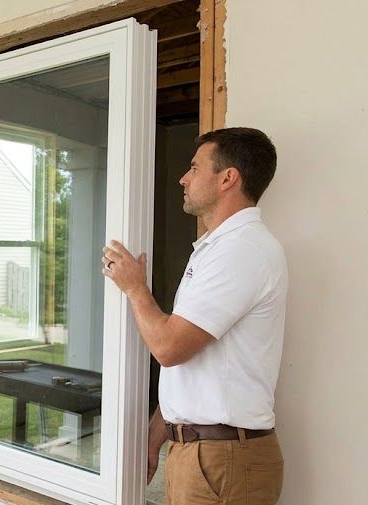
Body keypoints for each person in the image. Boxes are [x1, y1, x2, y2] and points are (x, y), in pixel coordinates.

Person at [102, 128, 287, 504]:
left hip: (221, 460)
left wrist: (135, 288)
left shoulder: (240, 251)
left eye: (194, 167)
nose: (183, 179)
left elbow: (170, 347)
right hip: (206, 454)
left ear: (228, 178)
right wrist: (158, 433)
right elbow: (194, 364)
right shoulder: (218, 248)